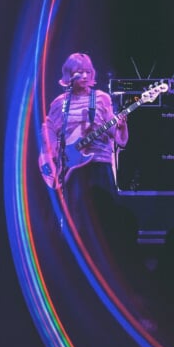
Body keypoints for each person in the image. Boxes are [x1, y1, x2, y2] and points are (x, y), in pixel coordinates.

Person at [40, 53, 129, 229]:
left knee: (105, 217)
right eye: (80, 72)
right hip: (72, 167)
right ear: (69, 74)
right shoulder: (60, 103)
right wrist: (53, 150)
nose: (85, 76)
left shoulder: (101, 98)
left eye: (88, 72)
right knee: (76, 217)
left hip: (99, 164)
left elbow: (113, 131)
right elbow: (48, 128)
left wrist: (121, 126)